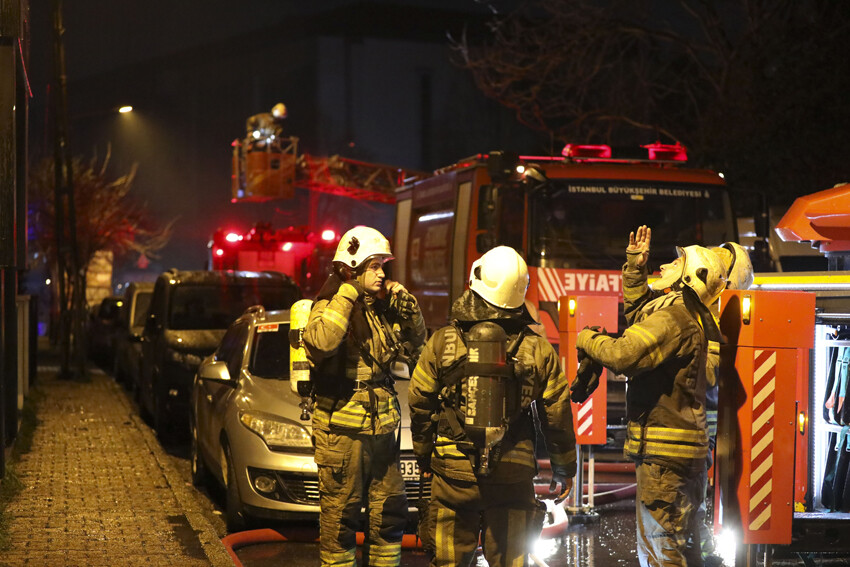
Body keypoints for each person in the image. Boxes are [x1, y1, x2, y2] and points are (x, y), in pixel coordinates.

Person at [409, 245, 576, 567]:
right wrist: (564, 468)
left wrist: (424, 453)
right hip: (513, 473)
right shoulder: (538, 349)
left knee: (448, 561)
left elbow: (419, 400)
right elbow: (556, 414)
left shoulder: (443, 341)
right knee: (511, 561)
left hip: (453, 473)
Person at [576, 228, 727, 567]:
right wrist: (635, 267)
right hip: (685, 455)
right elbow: (641, 315)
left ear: (689, 277)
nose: (664, 266)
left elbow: (623, 355)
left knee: (661, 552)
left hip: (663, 460)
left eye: (676, 263)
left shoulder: (673, 319)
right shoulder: (687, 315)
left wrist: (586, 338)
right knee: (685, 548)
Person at [302, 225, 427, 567]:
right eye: (374, 266)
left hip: (382, 429)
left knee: (390, 512)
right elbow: (322, 342)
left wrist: (411, 312)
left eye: (383, 266)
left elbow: (417, 348)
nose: (382, 273)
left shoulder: (377, 311)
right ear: (352, 268)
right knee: (341, 516)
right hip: (341, 432)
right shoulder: (329, 304)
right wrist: (347, 292)